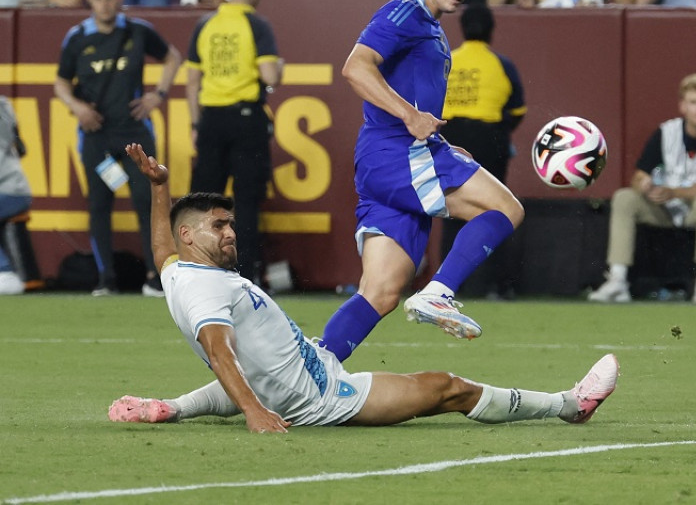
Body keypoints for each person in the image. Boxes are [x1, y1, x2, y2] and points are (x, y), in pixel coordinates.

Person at [107, 143, 618, 432]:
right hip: (323, 396)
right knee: (446, 388)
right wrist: (256, 414)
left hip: (300, 366)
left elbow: (161, 252)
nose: (231, 232)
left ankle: (169, 408)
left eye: (230, 223)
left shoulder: (180, 271)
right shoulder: (206, 292)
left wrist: (158, 189)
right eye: (219, 226)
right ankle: (568, 405)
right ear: (190, 234)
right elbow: (220, 353)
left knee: (371, 299)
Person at [318, 0, 525, 360]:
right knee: (505, 209)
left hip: (387, 160)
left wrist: (440, 140)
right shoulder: (404, 12)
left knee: (379, 293)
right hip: (397, 154)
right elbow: (356, 67)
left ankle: (310, 369)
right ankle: (439, 294)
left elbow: (412, 95)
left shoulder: (430, 27)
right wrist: (410, 118)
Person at [53, 0, 183, 296]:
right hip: (96, 134)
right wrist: (77, 107)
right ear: (90, 2)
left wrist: (159, 95)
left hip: (134, 132)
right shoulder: (77, 37)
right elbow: (61, 83)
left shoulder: (137, 30)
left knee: (146, 201)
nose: (105, 3)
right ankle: (105, 279)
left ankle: (156, 278)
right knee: (99, 204)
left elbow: (172, 56)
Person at [589, 72, 696, 304]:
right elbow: (638, 177)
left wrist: (673, 192)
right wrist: (645, 186)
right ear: (682, 106)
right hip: (666, 208)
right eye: (693, 102)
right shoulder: (666, 132)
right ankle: (617, 280)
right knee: (625, 197)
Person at [185, 0, 281, 287]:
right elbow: (270, 77)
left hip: (211, 118)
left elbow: (192, 81)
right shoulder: (256, 25)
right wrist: (278, 67)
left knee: (203, 202)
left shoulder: (206, 25)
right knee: (246, 202)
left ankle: (194, 269)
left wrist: (196, 123)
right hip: (245, 120)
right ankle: (245, 276)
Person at [439, 3, 527, 300]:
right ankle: (495, 286)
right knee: (497, 212)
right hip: (490, 139)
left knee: (450, 212)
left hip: (449, 138)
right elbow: (517, 110)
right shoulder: (501, 64)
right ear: (491, 30)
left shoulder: (448, 61)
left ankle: (447, 286)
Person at [0, 93, 32, 294]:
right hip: (15, 188)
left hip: (9, 190)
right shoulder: (4, 104)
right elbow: (21, 148)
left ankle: (4, 272)